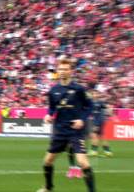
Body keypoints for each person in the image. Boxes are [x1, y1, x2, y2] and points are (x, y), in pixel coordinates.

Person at [37, 58, 95, 192]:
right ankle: (48, 187)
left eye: (66, 69)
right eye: (61, 69)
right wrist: (48, 115)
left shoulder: (79, 89)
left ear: (71, 71)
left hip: (75, 131)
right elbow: (52, 108)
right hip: (60, 130)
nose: (63, 72)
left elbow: (89, 106)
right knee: (47, 162)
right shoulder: (53, 90)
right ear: (57, 71)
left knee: (83, 163)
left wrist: (82, 119)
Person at [88, 90, 113, 157]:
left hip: (98, 121)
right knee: (102, 136)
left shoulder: (98, 102)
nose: (94, 95)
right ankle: (108, 152)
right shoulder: (92, 102)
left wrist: (110, 111)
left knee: (93, 135)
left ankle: (94, 151)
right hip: (100, 120)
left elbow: (107, 108)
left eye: (95, 94)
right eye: (93, 93)